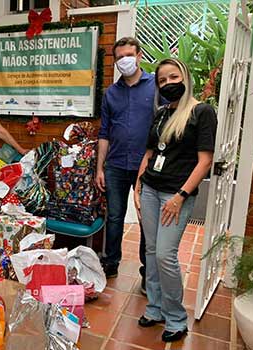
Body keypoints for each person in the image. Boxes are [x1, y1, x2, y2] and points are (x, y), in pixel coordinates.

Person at [134, 58, 217, 342]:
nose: (168, 83)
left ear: (185, 77)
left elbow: (205, 162)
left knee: (166, 255)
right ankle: (155, 308)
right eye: (162, 80)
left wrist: (181, 196)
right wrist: (138, 185)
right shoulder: (160, 113)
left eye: (173, 77)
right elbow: (149, 153)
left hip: (175, 195)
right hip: (150, 190)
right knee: (152, 252)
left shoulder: (201, 112)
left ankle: (176, 318)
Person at [96, 37, 155, 289]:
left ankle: (147, 272)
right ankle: (110, 263)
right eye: (119, 57)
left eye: (129, 54)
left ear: (139, 55)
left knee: (146, 219)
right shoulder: (111, 93)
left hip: (147, 167)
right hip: (116, 165)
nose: (124, 60)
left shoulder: (156, 86)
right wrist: (99, 167)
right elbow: (104, 133)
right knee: (115, 216)